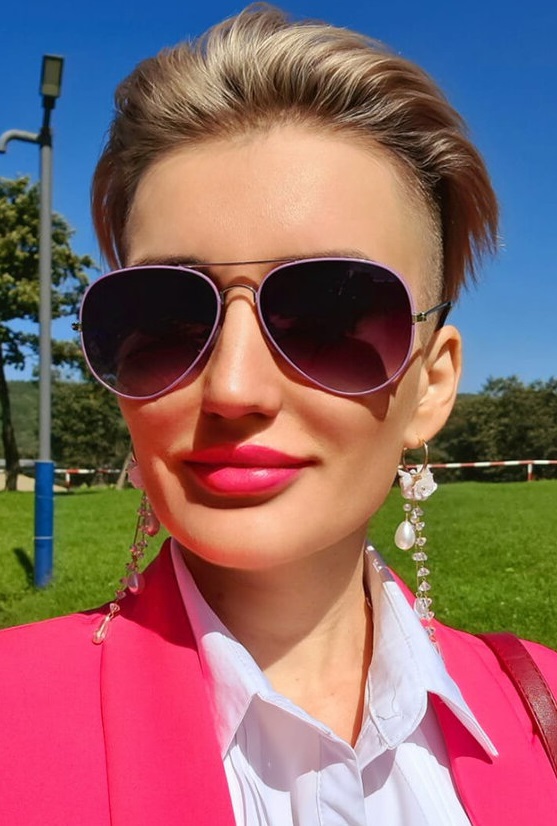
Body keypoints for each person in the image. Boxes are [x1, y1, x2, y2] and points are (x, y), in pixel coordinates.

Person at [1, 5, 556, 824]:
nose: (232, 388)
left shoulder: (540, 708)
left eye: (329, 317)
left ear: (431, 386)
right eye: (164, 319)